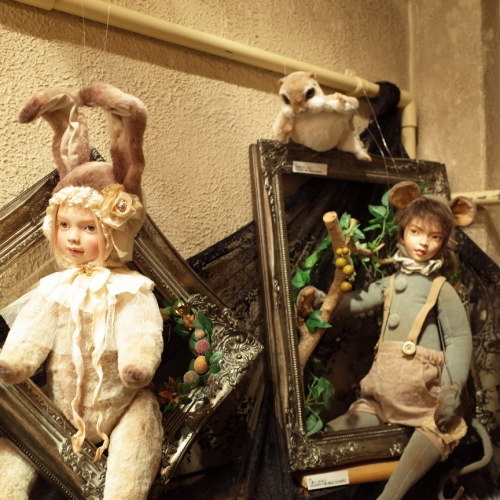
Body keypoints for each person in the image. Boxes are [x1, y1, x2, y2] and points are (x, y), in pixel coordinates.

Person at [0, 84, 164, 500]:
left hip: (122, 406)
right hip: (59, 413)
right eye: (65, 225)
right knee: (15, 447)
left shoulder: (130, 287)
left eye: (89, 227)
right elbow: (33, 331)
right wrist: (15, 362)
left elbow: (141, 330)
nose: (73, 237)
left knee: (140, 429)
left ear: (114, 230)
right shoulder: (55, 288)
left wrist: (137, 361)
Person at [325, 187, 473, 499]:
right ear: (403, 232)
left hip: (423, 399)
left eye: (434, 236)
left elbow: (459, 339)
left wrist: (451, 391)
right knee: (331, 435)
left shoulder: (441, 288)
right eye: (416, 232)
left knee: (436, 430)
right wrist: (322, 302)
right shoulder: (391, 282)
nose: (424, 242)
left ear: (444, 241)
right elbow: (355, 302)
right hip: (382, 395)